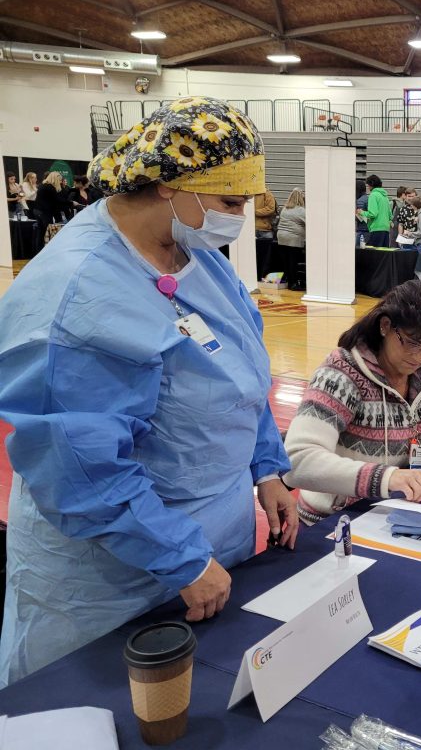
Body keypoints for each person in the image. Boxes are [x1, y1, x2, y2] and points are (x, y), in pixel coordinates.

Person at [0, 96, 299, 688]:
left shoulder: (197, 254)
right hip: (115, 577)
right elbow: (80, 466)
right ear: (170, 186)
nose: (240, 217)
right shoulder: (78, 296)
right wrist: (180, 557)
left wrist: (267, 468)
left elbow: (240, 369)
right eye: (230, 201)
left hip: (213, 547)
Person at [285, 280, 421, 523]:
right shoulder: (341, 374)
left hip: (397, 513)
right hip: (336, 522)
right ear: (385, 326)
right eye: (412, 342)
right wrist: (387, 478)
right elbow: (296, 460)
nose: (420, 357)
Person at [277, 188, 306, 291]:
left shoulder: (285, 208)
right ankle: (293, 284)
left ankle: (288, 282)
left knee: (286, 262)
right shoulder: (301, 210)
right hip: (293, 239)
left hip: (281, 237)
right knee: (293, 262)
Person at [359, 174, 390, 247]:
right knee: (383, 254)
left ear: (371, 185)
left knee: (374, 254)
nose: (368, 187)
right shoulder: (385, 196)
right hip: (386, 229)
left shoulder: (373, 195)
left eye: (368, 185)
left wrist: (362, 212)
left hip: (376, 228)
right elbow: (390, 214)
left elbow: (373, 214)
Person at [254, 188, 277, 281]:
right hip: (255, 229)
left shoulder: (267, 194)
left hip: (264, 230)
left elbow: (271, 209)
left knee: (266, 258)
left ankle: (264, 278)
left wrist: (255, 212)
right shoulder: (250, 194)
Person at [355, 178, 370, 246]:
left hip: (362, 231)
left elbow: (360, 218)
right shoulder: (368, 198)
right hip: (369, 230)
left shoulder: (360, 201)